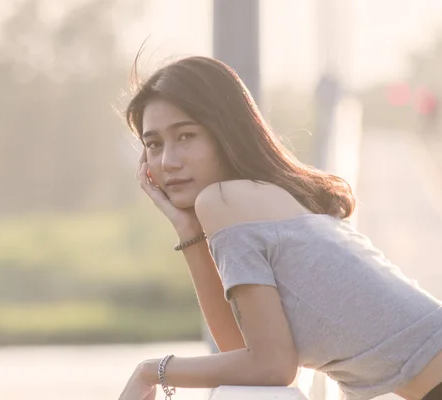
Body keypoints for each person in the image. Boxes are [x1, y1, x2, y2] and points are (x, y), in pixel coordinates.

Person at [116, 55, 442, 400]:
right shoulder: (254, 196)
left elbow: (272, 367)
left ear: (224, 133)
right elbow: (240, 350)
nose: (168, 161)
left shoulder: (224, 200)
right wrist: (189, 233)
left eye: (186, 136)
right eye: (154, 144)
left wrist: (153, 371)